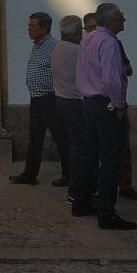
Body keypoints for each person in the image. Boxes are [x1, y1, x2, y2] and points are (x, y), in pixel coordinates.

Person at [71, 2, 135, 230]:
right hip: (105, 104)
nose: (123, 21)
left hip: (89, 102)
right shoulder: (109, 42)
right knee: (110, 160)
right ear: (109, 21)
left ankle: (81, 202)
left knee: (89, 154)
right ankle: (106, 213)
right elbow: (111, 79)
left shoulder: (88, 38)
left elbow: (82, 70)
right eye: (120, 18)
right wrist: (118, 105)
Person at [10, 12, 69, 187]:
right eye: (29, 25)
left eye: (33, 26)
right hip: (37, 98)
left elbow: (60, 72)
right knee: (35, 137)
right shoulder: (37, 45)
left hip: (50, 98)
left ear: (44, 28)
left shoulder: (53, 46)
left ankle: (69, 174)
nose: (29, 29)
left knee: (61, 137)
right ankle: (30, 173)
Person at [51, 15, 83, 201]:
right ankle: (77, 186)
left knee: (73, 144)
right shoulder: (76, 51)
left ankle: (74, 181)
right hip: (75, 102)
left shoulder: (58, 48)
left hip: (62, 99)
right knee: (80, 146)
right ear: (77, 32)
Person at [113, 29, 137, 202]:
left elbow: (128, 69)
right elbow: (127, 70)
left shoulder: (113, 44)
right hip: (112, 103)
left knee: (122, 148)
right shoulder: (111, 43)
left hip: (112, 102)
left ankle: (124, 185)